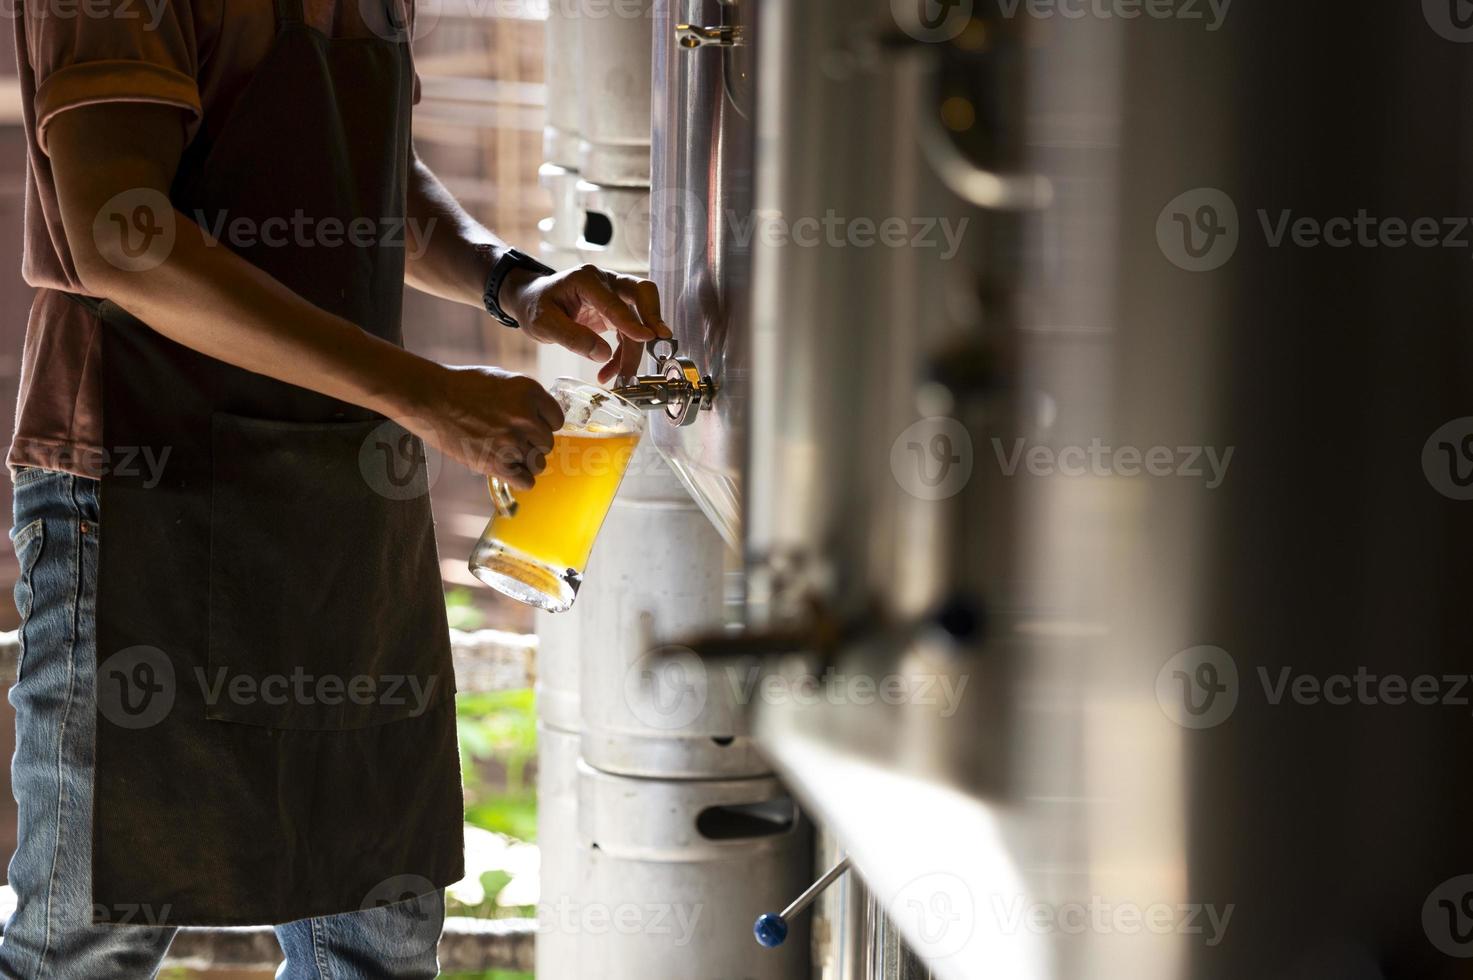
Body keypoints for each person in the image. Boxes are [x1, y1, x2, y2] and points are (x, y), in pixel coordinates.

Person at [0, 1, 666, 976]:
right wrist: (427, 393)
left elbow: (371, 174)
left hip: (345, 487)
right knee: (90, 937)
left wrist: (510, 281)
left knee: (379, 933)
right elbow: (119, 234)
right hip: (145, 490)